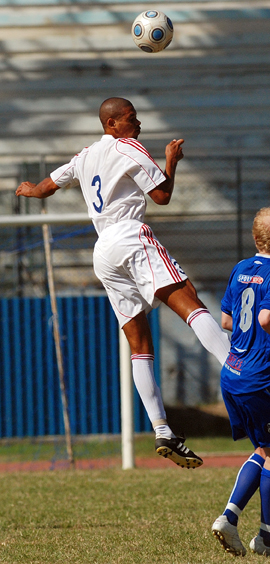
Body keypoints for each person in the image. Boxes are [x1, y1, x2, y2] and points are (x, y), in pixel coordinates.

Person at [16, 97, 231, 469]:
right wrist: (171, 163)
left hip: (103, 252)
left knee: (139, 343)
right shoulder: (128, 146)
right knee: (190, 301)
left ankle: (161, 428)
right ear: (112, 123)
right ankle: (238, 369)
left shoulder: (84, 156)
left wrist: (29, 189)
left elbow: (50, 185)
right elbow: (161, 196)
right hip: (131, 236)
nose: (139, 123)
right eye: (131, 119)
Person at [211, 207, 270, 557]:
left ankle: (239, 523)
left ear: (254, 237)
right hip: (259, 380)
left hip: (232, 374)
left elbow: (225, 321)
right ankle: (263, 538)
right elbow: (266, 318)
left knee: (267, 450)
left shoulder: (241, 268)